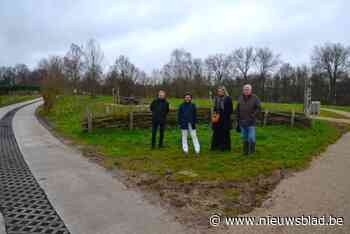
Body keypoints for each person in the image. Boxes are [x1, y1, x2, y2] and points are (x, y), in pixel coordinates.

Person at [236, 84, 262, 156]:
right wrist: (237, 119)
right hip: (242, 121)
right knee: (244, 138)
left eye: (248, 89)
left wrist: (253, 115)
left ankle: (252, 152)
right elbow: (237, 109)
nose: (246, 91)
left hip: (251, 122)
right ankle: (245, 152)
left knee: (251, 138)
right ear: (243, 90)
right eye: (245, 89)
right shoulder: (240, 98)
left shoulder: (255, 98)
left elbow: (259, 108)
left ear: (251, 90)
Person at [211, 87, 234, 151]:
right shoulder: (216, 98)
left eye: (221, 91)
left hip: (225, 118)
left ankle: (225, 147)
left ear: (224, 92)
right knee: (217, 132)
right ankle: (216, 146)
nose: (219, 92)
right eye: (218, 91)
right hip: (218, 117)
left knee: (225, 133)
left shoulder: (228, 98)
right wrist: (214, 114)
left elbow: (231, 109)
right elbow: (215, 108)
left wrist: (226, 114)